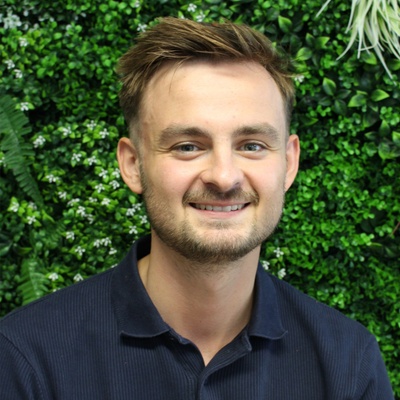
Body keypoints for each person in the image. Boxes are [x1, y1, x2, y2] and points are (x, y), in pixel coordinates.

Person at [0, 17, 394, 399]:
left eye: (252, 145)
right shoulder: (26, 360)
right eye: (188, 146)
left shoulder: (349, 365)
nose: (224, 177)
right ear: (133, 165)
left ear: (288, 163)